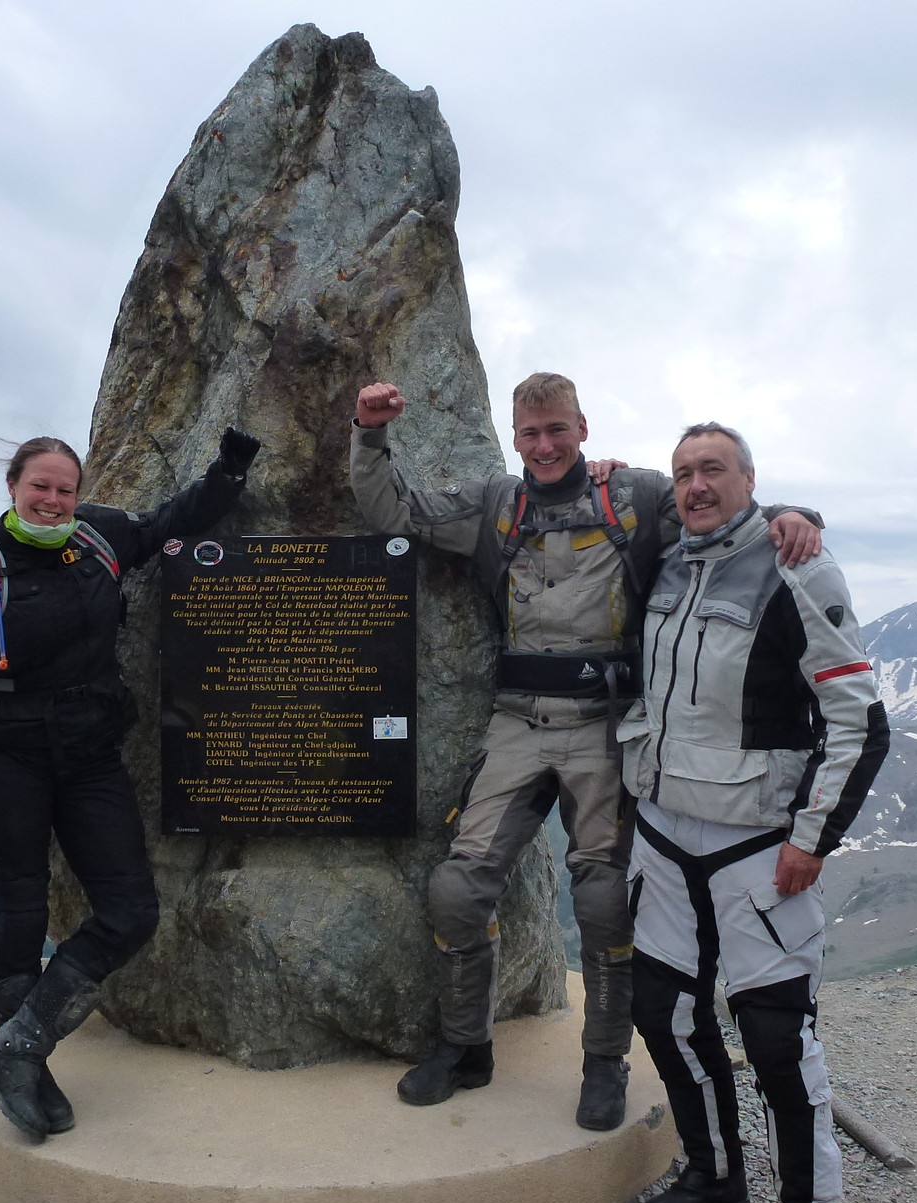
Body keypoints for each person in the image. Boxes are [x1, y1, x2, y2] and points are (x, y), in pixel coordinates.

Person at [348, 374, 822, 1129]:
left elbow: (720, 513)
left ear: (583, 428)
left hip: (605, 723)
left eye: (557, 430)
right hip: (516, 720)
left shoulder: (632, 495)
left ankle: (605, 1060)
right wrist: (369, 435)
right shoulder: (495, 504)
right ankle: (465, 1046)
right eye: (530, 432)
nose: (544, 446)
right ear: (515, 435)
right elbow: (392, 511)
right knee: (458, 888)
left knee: (605, 900)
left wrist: (796, 515)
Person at [0, 428, 260, 1143]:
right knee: (21, 913)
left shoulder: (101, 538)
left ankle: (18, 1043)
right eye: (41, 487)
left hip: (91, 756)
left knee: (130, 908)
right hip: (6, 761)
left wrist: (230, 471)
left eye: (65, 489)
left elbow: (173, 521)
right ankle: (25, 1065)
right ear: (14, 486)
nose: (54, 500)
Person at [620, 422, 888, 1203]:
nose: (697, 486)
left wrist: (813, 841)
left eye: (714, 470)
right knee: (665, 1013)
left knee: (776, 1033)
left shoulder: (797, 566)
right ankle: (714, 1174)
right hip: (662, 835)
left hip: (756, 846)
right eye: (684, 473)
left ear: (750, 480)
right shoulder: (663, 558)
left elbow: (859, 722)